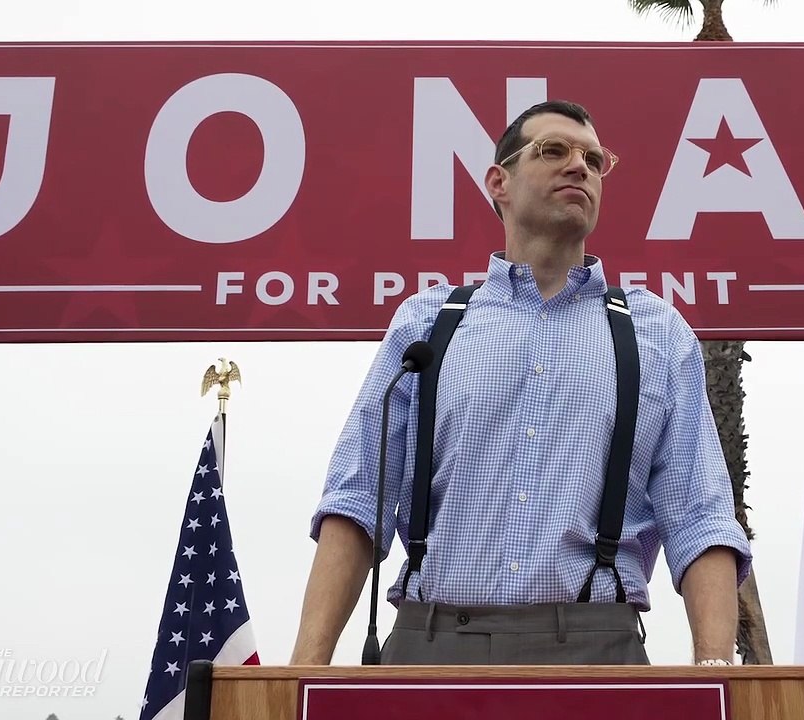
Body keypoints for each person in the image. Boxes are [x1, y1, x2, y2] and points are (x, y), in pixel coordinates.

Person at [290, 100, 752, 666]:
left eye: (594, 159)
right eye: (553, 151)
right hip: (429, 651)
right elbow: (358, 499)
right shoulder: (426, 323)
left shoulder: (657, 333)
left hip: (596, 653)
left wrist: (715, 672)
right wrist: (305, 673)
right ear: (498, 183)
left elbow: (700, 517)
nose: (579, 166)